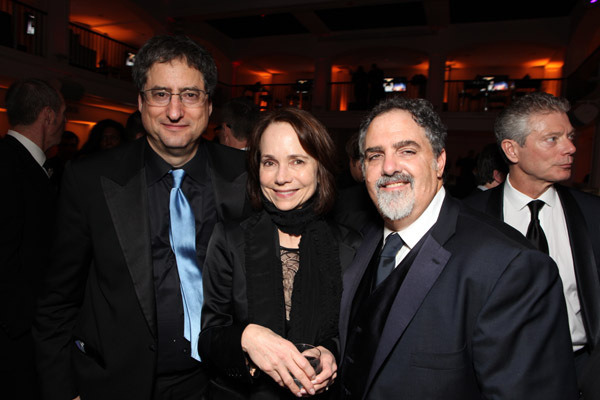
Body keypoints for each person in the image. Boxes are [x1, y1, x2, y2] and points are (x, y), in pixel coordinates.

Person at [34, 35, 249, 400]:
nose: (175, 111)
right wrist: (62, 391)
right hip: (117, 384)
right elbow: (57, 300)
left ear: (209, 106)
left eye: (190, 95)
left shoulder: (247, 177)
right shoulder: (90, 180)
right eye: (160, 94)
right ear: (141, 102)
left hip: (224, 385)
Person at [338, 97, 578, 399]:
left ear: (439, 161)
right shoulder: (360, 242)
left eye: (407, 151)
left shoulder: (511, 265)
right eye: (375, 156)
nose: (388, 167)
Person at [199, 107, 359, 399]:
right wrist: (247, 338)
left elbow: (357, 336)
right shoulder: (230, 239)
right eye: (269, 162)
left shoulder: (352, 248)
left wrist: (330, 352)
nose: (281, 177)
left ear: (319, 168)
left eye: (297, 161)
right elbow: (209, 339)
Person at [464, 91, 600, 396]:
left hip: (582, 372)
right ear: (512, 150)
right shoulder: (467, 217)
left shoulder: (594, 215)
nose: (571, 148)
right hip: (495, 376)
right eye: (552, 139)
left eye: (569, 136)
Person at [0, 78, 65, 400]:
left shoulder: (22, 162)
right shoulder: (10, 165)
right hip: (17, 331)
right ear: (48, 116)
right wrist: (26, 322)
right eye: (63, 115)